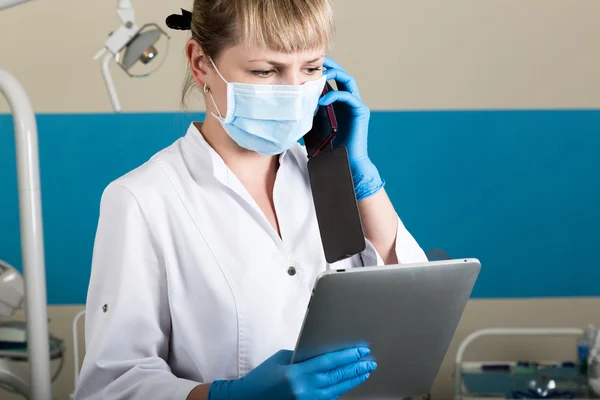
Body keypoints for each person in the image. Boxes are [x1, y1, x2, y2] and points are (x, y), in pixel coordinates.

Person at [75, 0, 427, 399]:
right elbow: (112, 384)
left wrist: (362, 180)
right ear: (201, 63)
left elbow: (414, 307)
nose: (295, 92)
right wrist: (226, 396)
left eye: (312, 69)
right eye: (265, 71)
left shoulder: (329, 176)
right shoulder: (142, 198)